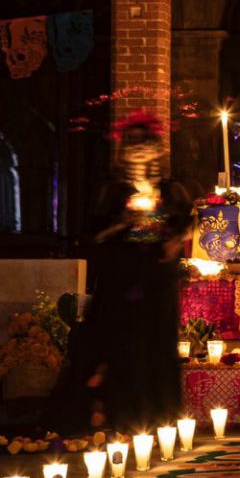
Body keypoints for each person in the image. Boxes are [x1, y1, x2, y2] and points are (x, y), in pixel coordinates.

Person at [58, 112, 193, 433]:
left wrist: (174, 240)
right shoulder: (113, 191)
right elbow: (94, 235)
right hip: (122, 281)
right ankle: (118, 413)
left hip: (157, 282)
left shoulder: (169, 188)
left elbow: (184, 225)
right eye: (133, 145)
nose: (141, 151)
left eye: (146, 144)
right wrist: (124, 222)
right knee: (123, 345)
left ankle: (157, 415)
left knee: (155, 347)